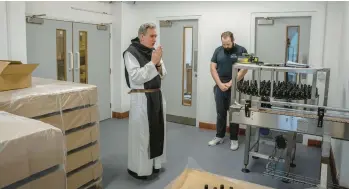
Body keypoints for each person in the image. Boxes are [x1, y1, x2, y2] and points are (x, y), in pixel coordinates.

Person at [123, 23, 167, 179]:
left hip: (156, 96)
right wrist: (154, 62)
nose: (155, 39)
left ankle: (155, 164)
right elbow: (136, 77)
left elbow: (163, 74)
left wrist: (158, 62)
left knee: (157, 132)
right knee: (143, 136)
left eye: (156, 36)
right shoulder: (131, 53)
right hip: (141, 99)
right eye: (152, 36)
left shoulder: (153, 52)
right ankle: (140, 169)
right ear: (142, 36)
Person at [208, 31, 248, 151]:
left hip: (235, 86)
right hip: (220, 86)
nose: (226, 46)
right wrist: (219, 84)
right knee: (220, 113)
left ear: (233, 40)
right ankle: (219, 136)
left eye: (228, 44)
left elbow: (244, 69)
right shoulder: (218, 50)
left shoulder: (242, 50)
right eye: (224, 44)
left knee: (234, 113)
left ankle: (234, 139)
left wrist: (231, 83)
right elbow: (212, 68)